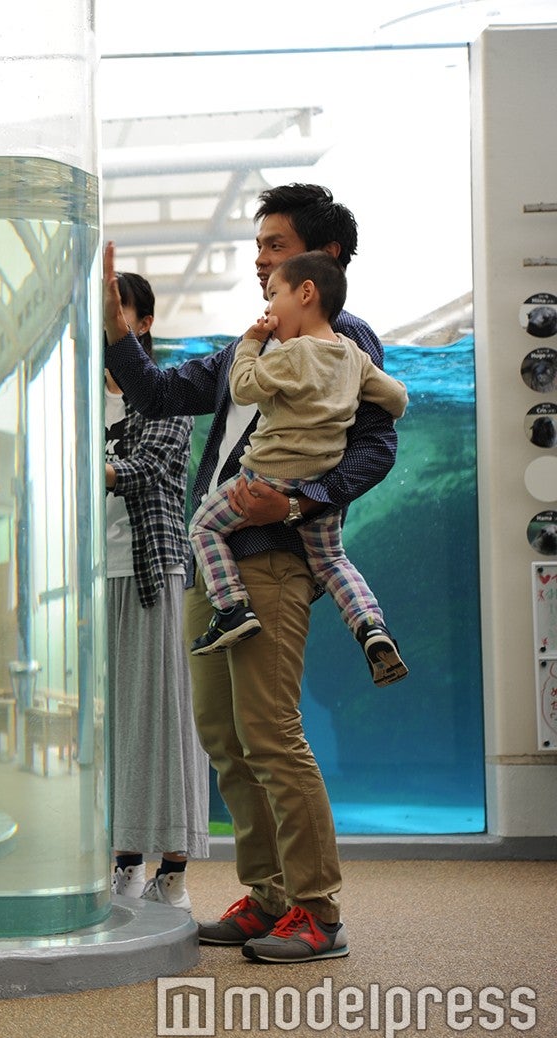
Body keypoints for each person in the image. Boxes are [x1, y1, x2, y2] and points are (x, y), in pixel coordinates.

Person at [104, 183, 398, 964]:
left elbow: (376, 446)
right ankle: (269, 893)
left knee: (270, 732)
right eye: (258, 245)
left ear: (322, 259)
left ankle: (317, 909)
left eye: (273, 244)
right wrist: (114, 334)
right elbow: (161, 390)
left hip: (273, 557)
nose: (258, 259)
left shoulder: (346, 341)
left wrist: (301, 500)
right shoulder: (258, 338)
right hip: (217, 557)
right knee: (226, 737)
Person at [188, 251, 410, 689]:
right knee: (331, 559)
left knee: (202, 529)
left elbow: (243, 386)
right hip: (318, 487)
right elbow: (398, 398)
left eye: (274, 295)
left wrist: (252, 341)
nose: (268, 307)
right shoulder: (353, 356)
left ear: (306, 293)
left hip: (264, 479)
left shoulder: (292, 354)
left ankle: (231, 607)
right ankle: (370, 626)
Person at [103, 270, 211, 912]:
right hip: (100, 580)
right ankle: (124, 858)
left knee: (168, 716)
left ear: (142, 322)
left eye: (120, 310)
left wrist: (96, 469)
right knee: (118, 723)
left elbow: (154, 466)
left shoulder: (165, 393)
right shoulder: (85, 397)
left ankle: (173, 868)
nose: (109, 322)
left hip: (159, 571)